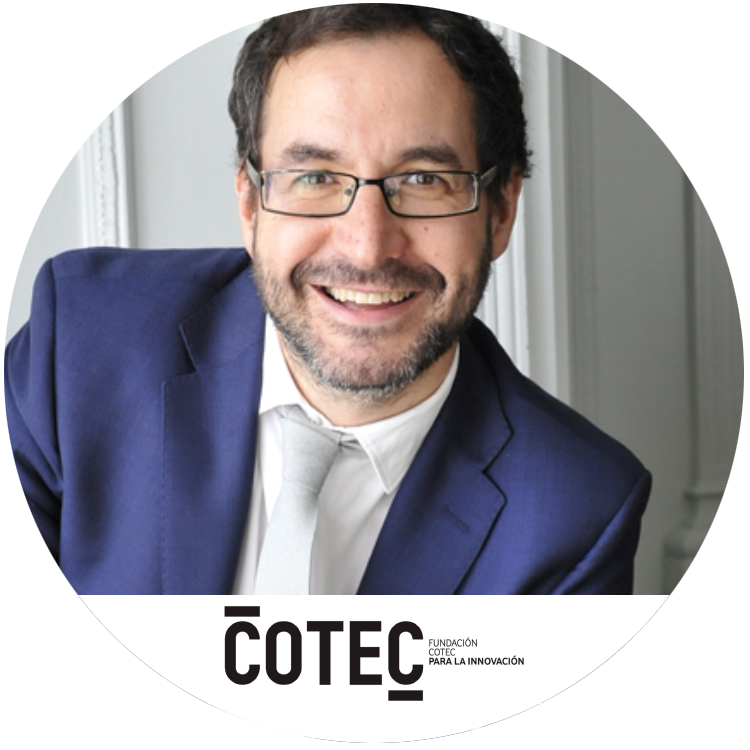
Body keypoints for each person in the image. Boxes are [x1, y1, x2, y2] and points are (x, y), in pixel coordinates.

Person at [4, 4, 651, 742]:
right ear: (250, 203)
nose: (368, 246)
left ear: (500, 210)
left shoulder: (575, 513)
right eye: (315, 175)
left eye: (424, 179)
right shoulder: (86, 342)